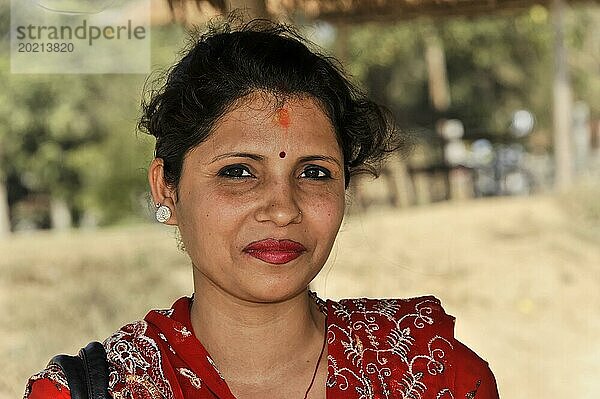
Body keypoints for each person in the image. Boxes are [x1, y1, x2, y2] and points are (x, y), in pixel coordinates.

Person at [24, 19, 499, 399]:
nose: (281, 209)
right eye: (238, 172)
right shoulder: (98, 391)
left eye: (314, 173)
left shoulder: (435, 377)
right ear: (166, 187)